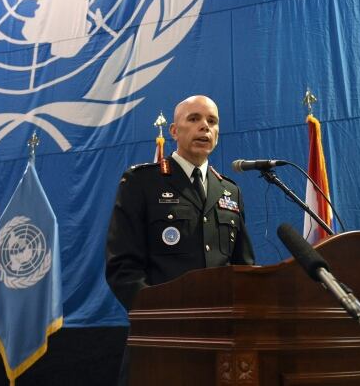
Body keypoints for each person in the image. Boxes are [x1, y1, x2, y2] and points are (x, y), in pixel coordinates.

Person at [105, 95, 256, 311]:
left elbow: (243, 266)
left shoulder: (230, 192)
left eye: (212, 122)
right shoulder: (142, 182)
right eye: (194, 119)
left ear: (218, 134)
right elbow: (122, 266)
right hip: (165, 329)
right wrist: (156, 314)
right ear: (174, 131)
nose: (204, 126)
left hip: (221, 329)